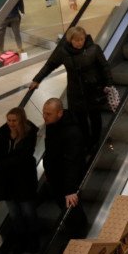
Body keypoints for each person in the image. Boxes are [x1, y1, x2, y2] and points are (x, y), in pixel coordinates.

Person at [28, 26, 112, 151]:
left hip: (93, 90)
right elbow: (50, 65)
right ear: (70, 40)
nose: (79, 43)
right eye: (76, 40)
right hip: (75, 92)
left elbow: (104, 67)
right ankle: (86, 142)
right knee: (80, 119)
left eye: (81, 39)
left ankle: (95, 141)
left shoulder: (94, 49)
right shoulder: (63, 52)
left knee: (95, 117)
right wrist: (37, 79)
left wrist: (108, 84)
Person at [0, 106, 39, 254]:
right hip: (7, 183)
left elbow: (22, 158)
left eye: (14, 120)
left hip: (24, 182)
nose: (11, 123)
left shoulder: (30, 134)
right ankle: (21, 242)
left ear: (21, 120)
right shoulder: (3, 132)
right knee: (14, 215)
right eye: (9, 120)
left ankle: (34, 242)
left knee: (28, 213)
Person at [40, 98, 89, 238]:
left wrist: (70, 190)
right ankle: (72, 231)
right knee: (65, 210)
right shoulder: (52, 125)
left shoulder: (72, 133)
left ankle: (79, 237)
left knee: (73, 211)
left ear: (60, 113)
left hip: (67, 183)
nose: (44, 116)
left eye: (48, 113)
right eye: (44, 113)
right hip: (55, 179)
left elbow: (72, 162)